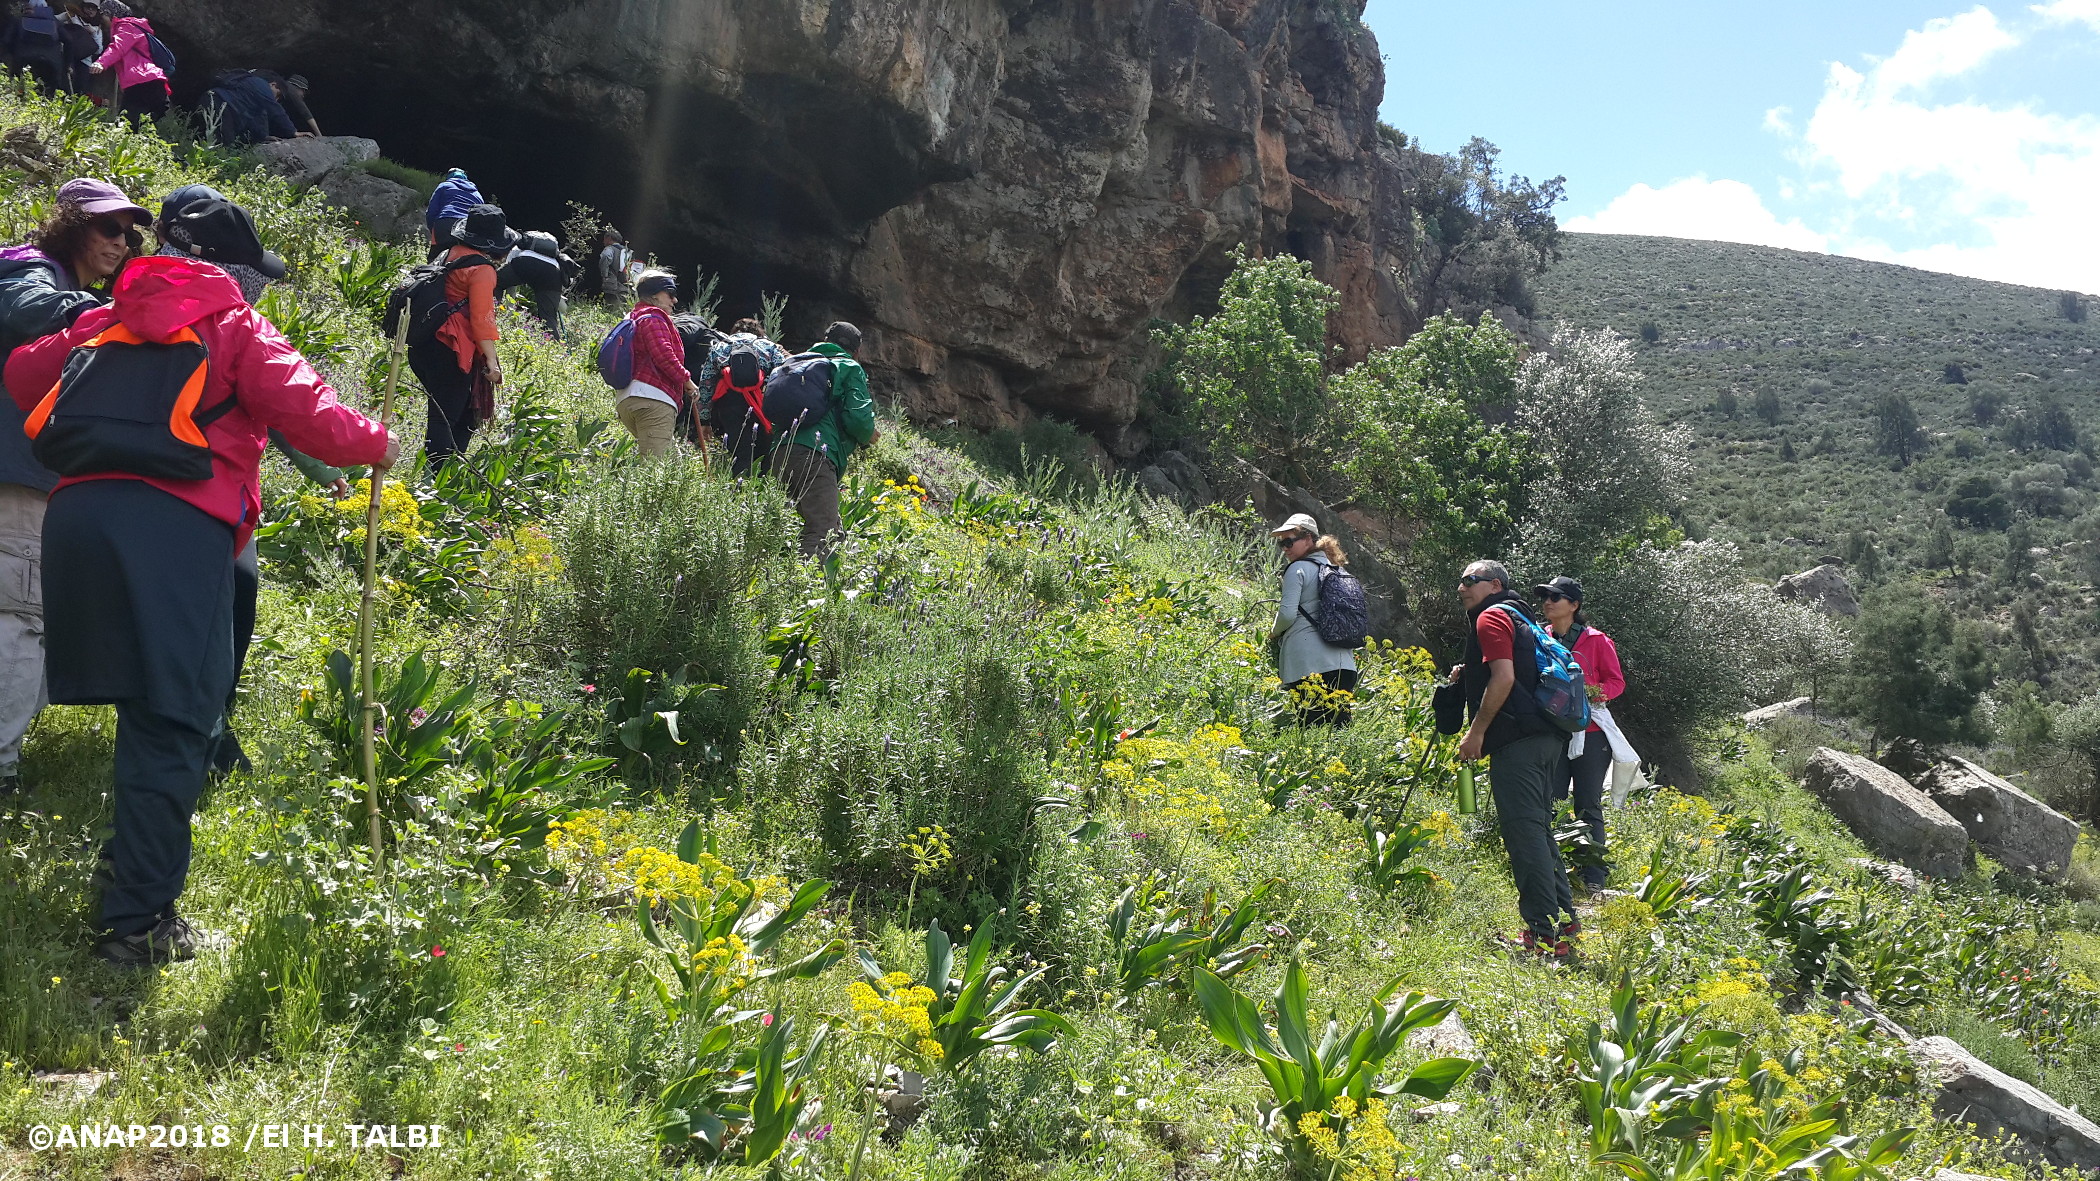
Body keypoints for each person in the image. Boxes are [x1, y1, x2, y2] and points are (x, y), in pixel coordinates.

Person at [8, 242, 397, 966]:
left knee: (144, 707)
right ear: (227, 275)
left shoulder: (105, 322)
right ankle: (138, 922)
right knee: (179, 716)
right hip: (175, 530)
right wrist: (379, 442)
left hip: (78, 520)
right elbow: (308, 412)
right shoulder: (235, 323)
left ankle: (125, 873)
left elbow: (23, 372)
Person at [155, 185, 353, 775]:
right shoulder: (147, 309)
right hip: (189, 492)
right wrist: (362, 447)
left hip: (174, 492)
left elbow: (272, 407)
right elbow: (293, 403)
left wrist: (323, 468)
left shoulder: (154, 305)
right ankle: (198, 726)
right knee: (218, 601)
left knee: (236, 592)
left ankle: (208, 715)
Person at [0, 178, 149, 796]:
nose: (120, 242)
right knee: (22, 617)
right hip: (18, 476)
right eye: (106, 227)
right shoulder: (28, 272)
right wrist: (123, 315)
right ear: (69, 225)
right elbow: (29, 311)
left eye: (128, 232)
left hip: (31, 474)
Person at [1438, 559, 1576, 961]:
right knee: (1539, 832)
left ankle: (1543, 935)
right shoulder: (1519, 617)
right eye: (1460, 580)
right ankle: (1564, 925)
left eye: (1470, 580)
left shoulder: (1491, 618)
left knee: (1524, 835)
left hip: (1518, 742)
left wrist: (1476, 732)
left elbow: (1505, 679)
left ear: (1494, 584)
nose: (1461, 587)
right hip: (1546, 737)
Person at [1533, 575, 1624, 893]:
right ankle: (1554, 869)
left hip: (1593, 732)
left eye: (1555, 597)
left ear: (1574, 605)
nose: (1547, 602)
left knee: (1588, 804)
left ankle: (1594, 876)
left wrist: (1593, 691)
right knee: (1552, 800)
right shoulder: (1539, 637)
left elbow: (1617, 682)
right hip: (1553, 731)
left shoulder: (1597, 640)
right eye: (1545, 596)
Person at [410, 203, 506, 466]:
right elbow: (482, 320)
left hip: (423, 341)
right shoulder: (482, 270)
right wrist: (492, 362)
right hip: (450, 347)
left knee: (463, 413)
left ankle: (449, 468)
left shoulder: (450, 253)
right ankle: (436, 478)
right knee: (446, 416)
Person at [771, 321, 876, 556]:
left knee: (782, 527)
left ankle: (770, 578)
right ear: (857, 351)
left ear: (825, 341)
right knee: (823, 531)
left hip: (779, 453)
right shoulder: (848, 366)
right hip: (815, 455)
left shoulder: (797, 362)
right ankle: (803, 590)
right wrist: (869, 435)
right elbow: (858, 418)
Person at [1266, 513, 1359, 725]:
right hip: (1345, 666)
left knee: (1311, 729)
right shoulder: (1339, 570)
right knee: (1338, 732)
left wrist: (1274, 632)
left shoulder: (1297, 569)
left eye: (1289, 541)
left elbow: (1287, 614)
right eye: (1282, 544)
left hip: (1309, 667)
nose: (1285, 548)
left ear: (1308, 539)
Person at [614, 270, 697, 457]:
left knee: (672, 464)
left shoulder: (632, 318)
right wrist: (688, 382)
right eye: (671, 293)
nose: (675, 300)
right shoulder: (653, 318)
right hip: (652, 399)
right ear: (654, 295)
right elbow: (663, 355)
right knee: (654, 468)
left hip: (629, 397)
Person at [693, 315, 788, 466]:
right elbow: (782, 375)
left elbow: (706, 385)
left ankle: (740, 485)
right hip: (762, 402)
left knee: (740, 452)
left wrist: (704, 420)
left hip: (730, 404)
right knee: (765, 452)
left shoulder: (720, 347)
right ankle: (761, 485)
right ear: (759, 332)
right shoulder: (769, 346)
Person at [82, 0, 166, 125]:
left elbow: (118, 47)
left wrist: (101, 62)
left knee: (127, 122)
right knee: (148, 116)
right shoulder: (135, 27)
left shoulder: (126, 27)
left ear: (111, 14)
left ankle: (120, 138)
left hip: (141, 79)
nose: (102, 19)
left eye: (104, 14)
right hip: (151, 79)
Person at [496, 229, 579, 337]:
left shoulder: (517, 248)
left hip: (526, 263)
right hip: (552, 272)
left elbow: (508, 282)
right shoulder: (554, 257)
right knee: (549, 317)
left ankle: (494, 314)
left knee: (495, 282)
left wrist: (507, 308)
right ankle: (554, 347)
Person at [200, 68, 296, 145]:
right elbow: (276, 110)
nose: (276, 99)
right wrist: (293, 132)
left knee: (224, 141)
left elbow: (256, 120)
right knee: (223, 142)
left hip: (219, 105)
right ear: (273, 85)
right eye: (278, 95)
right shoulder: (260, 84)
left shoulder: (254, 100)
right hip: (217, 102)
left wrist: (263, 137)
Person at [3, 0, 68, 94]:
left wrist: (11, 53)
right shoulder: (54, 22)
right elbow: (68, 40)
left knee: (20, 91)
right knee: (47, 94)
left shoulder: (19, 20)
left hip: (23, 61)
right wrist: (67, 64)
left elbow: (6, 40)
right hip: (51, 64)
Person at [424, 168, 482, 258]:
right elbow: (481, 215)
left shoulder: (444, 186)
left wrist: (433, 229)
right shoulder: (477, 193)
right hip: (466, 228)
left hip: (445, 222)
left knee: (436, 259)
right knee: (460, 261)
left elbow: (432, 211)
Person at [596, 228, 632, 303]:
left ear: (609, 238)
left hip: (611, 284)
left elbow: (605, 257)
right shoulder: (628, 251)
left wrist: (604, 274)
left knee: (610, 305)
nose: (603, 242)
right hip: (626, 285)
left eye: (604, 239)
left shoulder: (610, 249)